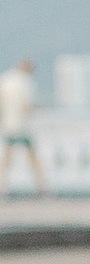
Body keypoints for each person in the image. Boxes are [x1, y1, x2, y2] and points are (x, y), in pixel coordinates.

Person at [0, 59, 40, 194]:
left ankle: (2, 186)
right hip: (22, 127)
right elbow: (27, 105)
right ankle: (41, 188)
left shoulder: (6, 79)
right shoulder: (24, 82)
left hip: (9, 125)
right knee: (33, 158)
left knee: (6, 158)